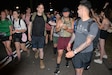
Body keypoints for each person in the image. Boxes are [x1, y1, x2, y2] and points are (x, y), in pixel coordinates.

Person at [66, 0, 98, 75]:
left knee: (81, 68)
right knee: (77, 70)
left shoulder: (93, 25)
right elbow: (74, 34)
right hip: (77, 52)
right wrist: (69, 43)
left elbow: (88, 42)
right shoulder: (77, 22)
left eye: (78, 9)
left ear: (83, 9)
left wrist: (73, 52)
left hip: (86, 52)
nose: (77, 11)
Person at [54, 7, 74, 74]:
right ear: (62, 13)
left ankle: (67, 61)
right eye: (64, 12)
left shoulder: (72, 20)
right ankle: (57, 68)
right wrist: (59, 28)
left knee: (68, 52)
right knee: (59, 54)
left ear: (69, 13)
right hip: (61, 38)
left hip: (69, 39)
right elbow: (56, 30)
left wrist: (66, 29)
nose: (65, 13)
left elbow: (73, 31)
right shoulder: (59, 20)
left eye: (67, 12)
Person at [28, 3, 47, 69]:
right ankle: (37, 51)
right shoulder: (33, 16)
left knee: (41, 49)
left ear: (43, 9)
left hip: (41, 36)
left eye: (42, 8)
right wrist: (29, 35)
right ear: (37, 8)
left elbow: (50, 23)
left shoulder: (45, 17)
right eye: (40, 7)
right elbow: (30, 25)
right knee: (33, 49)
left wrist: (58, 24)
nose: (41, 9)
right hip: (34, 36)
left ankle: (41, 61)